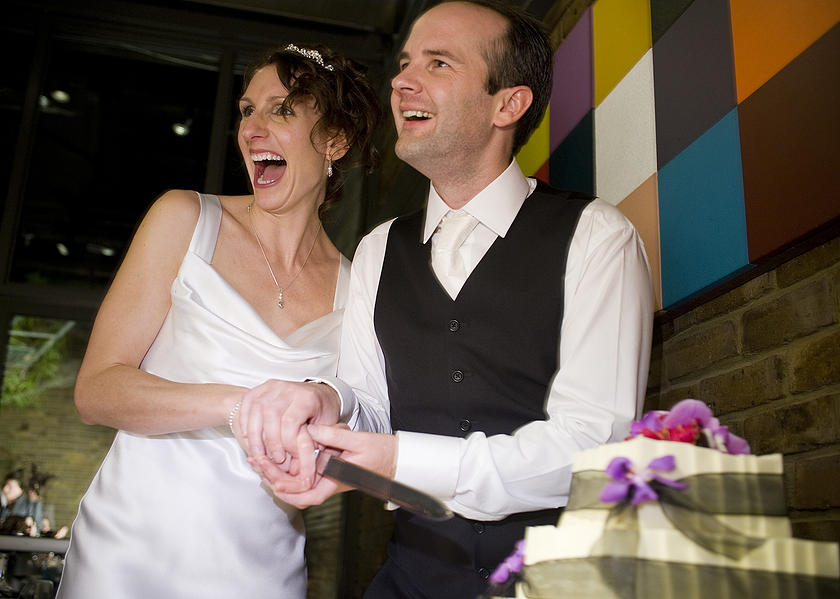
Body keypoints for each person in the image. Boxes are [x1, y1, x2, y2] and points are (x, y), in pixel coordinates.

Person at [253, 2, 655, 598]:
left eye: (439, 63)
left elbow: (591, 445)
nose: (401, 80)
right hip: (409, 579)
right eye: (406, 62)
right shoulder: (377, 250)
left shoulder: (598, 236)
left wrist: (400, 462)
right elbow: (372, 406)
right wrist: (327, 400)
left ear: (508, 105)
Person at [55, 43, 380, 599]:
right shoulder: (183, 218)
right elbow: (97, 390)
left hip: (262, 567)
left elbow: (359, 435)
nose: (253, 128)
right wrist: (242, 404)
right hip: (129, 554)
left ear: (334, 140)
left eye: (281, 109)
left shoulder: (361, 288)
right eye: (246, 110)